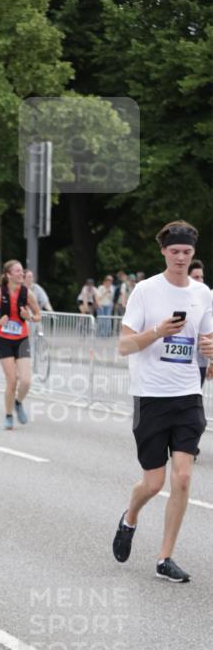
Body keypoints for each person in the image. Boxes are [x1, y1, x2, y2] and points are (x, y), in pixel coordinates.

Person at [112, 220, 213, 583]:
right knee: (153, 484)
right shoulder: (145, 291)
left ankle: (164, 558)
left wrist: (211, 351)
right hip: (151, 396)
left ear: (193, 254)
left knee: (183, 477)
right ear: (163, 253)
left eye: (187, 252)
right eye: (175, 252)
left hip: (187, 395)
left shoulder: (204, 294)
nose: (181, 258)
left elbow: (208, 344)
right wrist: (157, 332)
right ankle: (130, 518)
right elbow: (123, 345)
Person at [0, 260, 41, 430]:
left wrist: (29, 317)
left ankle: (18, 403)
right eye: (17, 271)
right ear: (8, 275)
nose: (21, 274)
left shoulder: (27, 293)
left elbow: (39, 315)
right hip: (3, 339)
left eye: (22, 271)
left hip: (21, 339)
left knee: (26, 381)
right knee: (12, 380)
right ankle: (9, 415)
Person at [188, 260, 213, 387]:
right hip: (181, 364)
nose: (201, 280)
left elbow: (210, 333)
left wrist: (212, 362)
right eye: (196, 277)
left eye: (202, 277)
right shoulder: (178, 299)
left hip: (201, 362)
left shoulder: (207, 299)